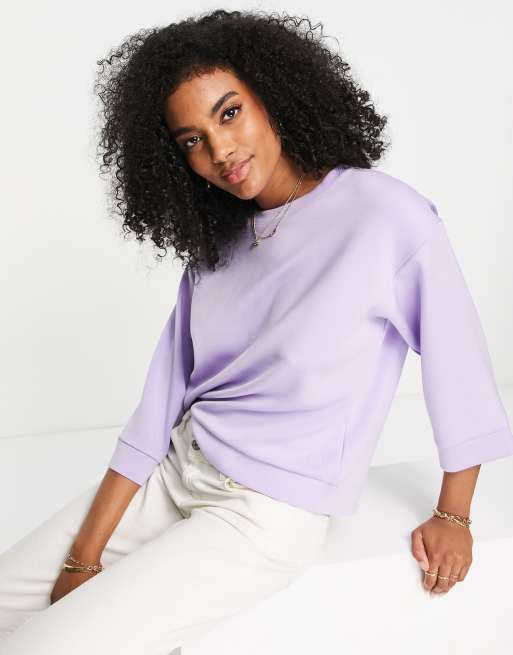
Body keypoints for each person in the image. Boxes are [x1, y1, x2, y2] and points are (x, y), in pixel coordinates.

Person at [1, 8, 512, 654]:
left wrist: (453, 513)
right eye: (191, 140)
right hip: (178, 471)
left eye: (229, 113)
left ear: (272, 94)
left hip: (263, 514)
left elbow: (456, 364)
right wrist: (83, 557)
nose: (219, 152)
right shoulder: (217, 242)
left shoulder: (385, 216)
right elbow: (157, 409)